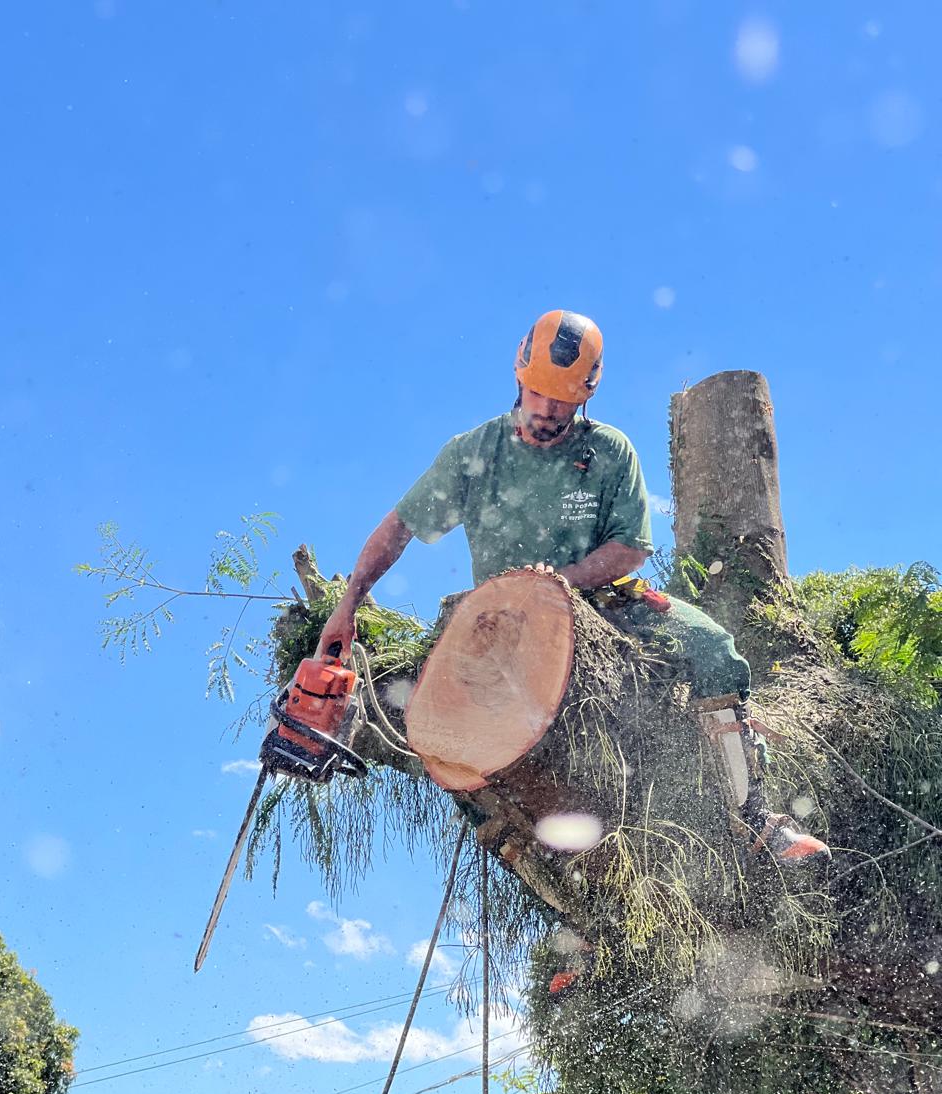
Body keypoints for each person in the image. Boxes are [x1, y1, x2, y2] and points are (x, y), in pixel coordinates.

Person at [317, 309, 828, 866]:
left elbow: (630, 548)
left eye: (563, 399)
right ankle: (522, 844)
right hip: (499, 620)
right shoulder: (473, 453)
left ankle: (753, 818)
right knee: (445, 723)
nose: (548, 408)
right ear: (519, 376)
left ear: (586, 394)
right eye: (539, 393)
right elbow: (400, 527)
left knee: (715, 650)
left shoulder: (608, 452)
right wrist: (347, 604)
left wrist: (561, 582)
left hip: (601, 602)